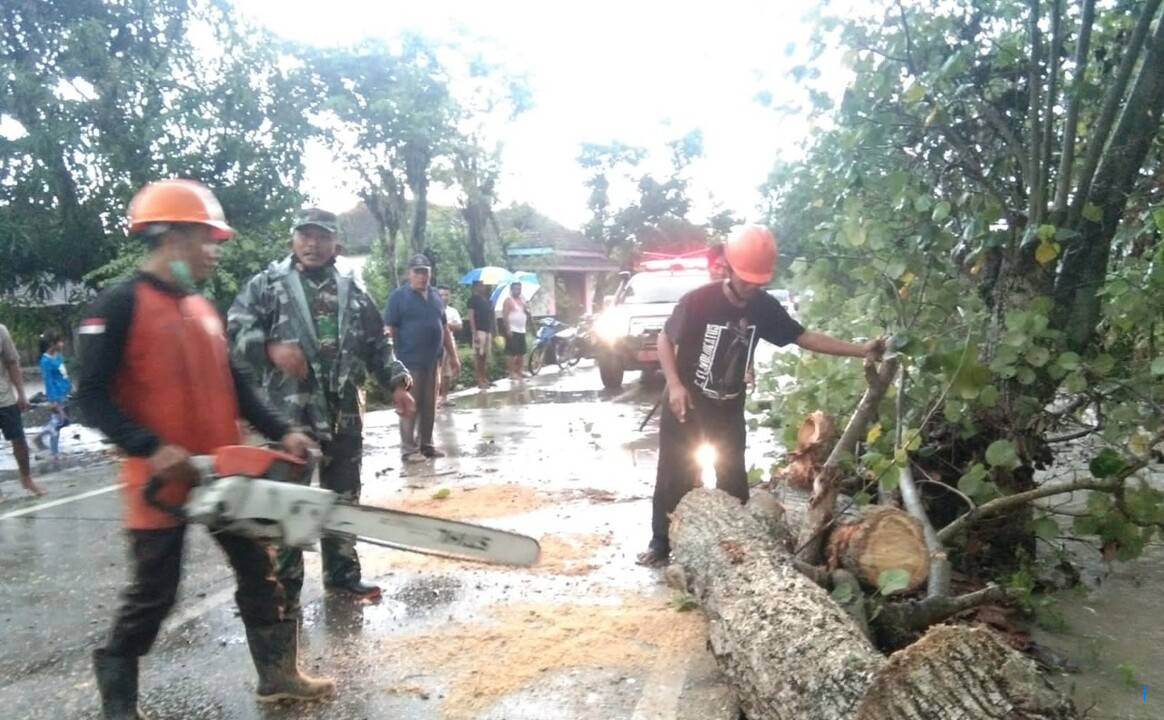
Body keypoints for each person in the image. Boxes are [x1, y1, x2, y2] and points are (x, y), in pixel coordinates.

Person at [77, 179, 333, 719]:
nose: (215, 252)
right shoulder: (119, 304)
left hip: (222, 468)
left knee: (259, 574)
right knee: (154, 595)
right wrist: (149, 446)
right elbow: (91, 397)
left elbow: (239, 384)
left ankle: (278, 677)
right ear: (171, 236)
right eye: (207, 240)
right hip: (160, 478)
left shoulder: (204, 307)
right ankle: (118, 705)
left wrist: (281, 428)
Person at [636, 224, 884, 567]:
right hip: (687, 406)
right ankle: (661, 545)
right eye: (746, 278)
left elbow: (804, 336)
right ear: (728, 266)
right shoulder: (699, 301)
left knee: (734, 482)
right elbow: (665, 339)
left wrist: (860, 350)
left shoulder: (763, 307)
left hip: (727, 409)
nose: (751, 286)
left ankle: (735, 551)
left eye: (758, 280)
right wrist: (675, 385)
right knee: (672, 477)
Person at [228, 208, 416, 604]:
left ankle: (343, 573)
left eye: (321, 237)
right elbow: (235, 329)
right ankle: (285, 585)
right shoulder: (268, 285)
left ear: (336, 244)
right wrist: (268, 348)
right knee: (287, 499)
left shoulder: (352, 289)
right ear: (293, 240)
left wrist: (397, 383)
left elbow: (376, 343)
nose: (312, 244)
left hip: (343, 410)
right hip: (288, 414)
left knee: (343, 497)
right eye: (305, 235)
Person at [385, 254, 459, 463]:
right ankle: (409, 450)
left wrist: (453, 356)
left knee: (429, 405)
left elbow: (444, 328)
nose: (421, 276)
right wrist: (392, 362)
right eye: (417, 272)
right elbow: (390, 330)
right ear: (409, 273)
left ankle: (426, 444)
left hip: (432, 361)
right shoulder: (398, 297)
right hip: (408, 362)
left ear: (430, 273)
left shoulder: (435, 296)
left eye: (425, 271)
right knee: (410, 406)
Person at [0, 321, 44, 501]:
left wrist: (21, 394)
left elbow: (12, 363)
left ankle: (26, 478)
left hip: (4, 398)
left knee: (18, 439)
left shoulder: (1, 331)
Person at [35, 332, 72, 463]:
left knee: (63, 421)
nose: (62, 344)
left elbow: (63, 374)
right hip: (56, 396)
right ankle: (53, 452)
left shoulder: (58, 356)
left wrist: (68, 388)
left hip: (63, 393)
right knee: (57, 423)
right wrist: (53, 400)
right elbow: (48, 382)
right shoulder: (45, 361)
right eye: (60, 341)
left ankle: (44, 441)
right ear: (52, 344)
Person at [437, 285, 463, 406]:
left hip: (449, 344)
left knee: (446, 372)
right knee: (435, 372)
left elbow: (459, 326)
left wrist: (447, 326)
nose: (444, 297)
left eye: (446, 295)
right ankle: (435, 398)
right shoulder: (433, 309)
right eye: (441, 294)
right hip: (435, 345)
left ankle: (444, 397)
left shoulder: (452, 311)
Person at [467, 280, 495, 389]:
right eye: (480, 285)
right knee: (479, 356)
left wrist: (493, 331)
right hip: (479, 331)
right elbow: (471, 317)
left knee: (485, 356)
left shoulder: (488, 300)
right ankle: (479, 379)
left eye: (483, 285)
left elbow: (491, 317)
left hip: (487, 330)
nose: (482, 287)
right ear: (475, 287)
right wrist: (474, 333)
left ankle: (485, 378)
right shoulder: (472, 300)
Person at [500, 281, 528, 381]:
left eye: (519, 289)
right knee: (511, 353)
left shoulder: (522, 300)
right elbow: (505, 315)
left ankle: (519, 371)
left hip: (522, 329)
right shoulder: (508, 300)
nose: (518, 291)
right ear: (511, 290)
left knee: (521, 352)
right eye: (516, 289)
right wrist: (507, 329)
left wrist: (526, 307)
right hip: (512, 329)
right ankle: (511, 373)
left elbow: (525, 312)